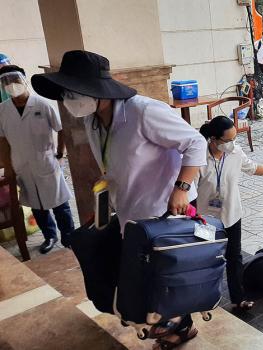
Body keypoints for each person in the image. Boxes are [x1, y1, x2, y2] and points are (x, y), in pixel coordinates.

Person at [31, 50, 207, 348]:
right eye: (66, 92)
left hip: (163, 210)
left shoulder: (143, 111)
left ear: (97, 90)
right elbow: (111, 169)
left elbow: (195, 142)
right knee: (146, 274)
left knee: (165, 273)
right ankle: (166, 322)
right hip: (130, 210)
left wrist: (180, 187)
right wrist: (102, 209)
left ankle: (180, 325)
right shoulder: (93, 121)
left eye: (74, 91)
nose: (69, 99)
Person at [197, 116, 263, 312]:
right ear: (213, 139)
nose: (233, 144)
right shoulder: (198, 158)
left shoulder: (234, 153)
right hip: (204, 219)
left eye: (235, 139)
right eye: (228, 140)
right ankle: (201, 297)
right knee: (204, 258)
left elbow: (252, 167)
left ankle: (238, 298)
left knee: (234, 257)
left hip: (231, 213)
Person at [0, 65, 74, 254]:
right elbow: (3, 141)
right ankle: (50, 236)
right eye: (6, 82)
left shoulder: (41, 104)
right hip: (21, 165)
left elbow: (61, 129)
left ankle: (69, 236)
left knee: (59, 202)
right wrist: (8, 167)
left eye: (15, 81)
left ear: (23, 80)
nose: (12, 86)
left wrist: (59, 153)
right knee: (36, 204)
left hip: (46, 161)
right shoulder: (3, 110)